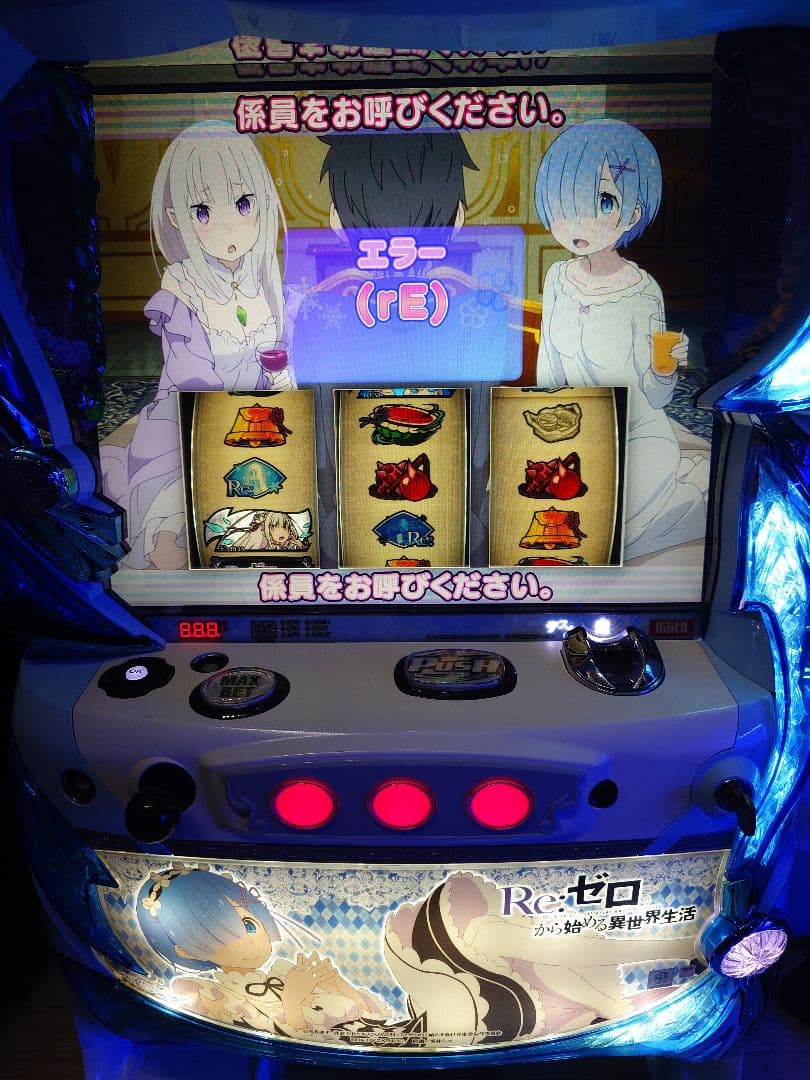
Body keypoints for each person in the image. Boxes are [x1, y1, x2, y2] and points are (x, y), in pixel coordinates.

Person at [101, 120, 293, 570]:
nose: (228, 226)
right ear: (176, 219)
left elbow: (280, 355)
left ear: (263, 203)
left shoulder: (265, 277)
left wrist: (281, 384)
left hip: (264, 421)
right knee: (173, 542)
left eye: (242, 204)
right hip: (187, 427)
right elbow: (193, 383)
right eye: (203, 211)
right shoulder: (181, 289)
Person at [534, 119, 708, 561]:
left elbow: (657, 396)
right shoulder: (557, 278)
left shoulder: (643, 292)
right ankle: (680, 499)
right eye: (567, 203)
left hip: (639, 437)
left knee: (603, 536)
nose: (580, 221)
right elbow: (548, 366)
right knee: (553, 527)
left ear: (632, 214)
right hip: (575, 435)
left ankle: (686, 498)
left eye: (603, 201)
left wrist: (667, 367)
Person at [135, 864, 388, 1037]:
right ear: (186, 951)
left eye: (249, 925)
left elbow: (374, 1021)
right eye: (221, 934)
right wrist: (293, 999)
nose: (252, 941)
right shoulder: (215, 995)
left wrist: (337, 983)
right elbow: (288, 1040)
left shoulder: (285, 973)